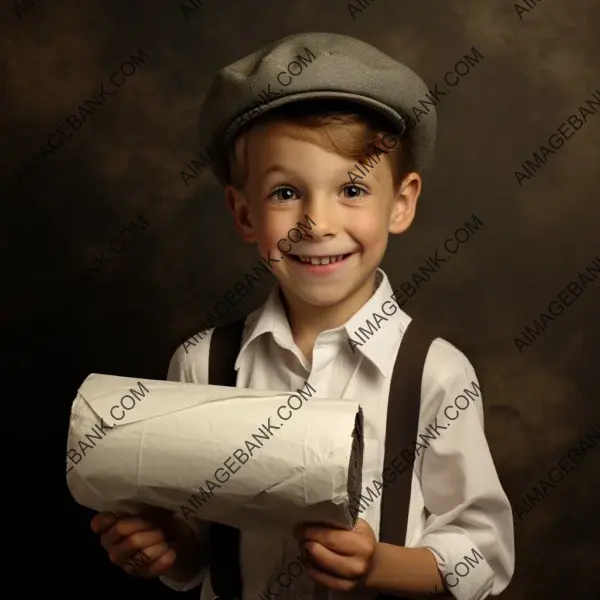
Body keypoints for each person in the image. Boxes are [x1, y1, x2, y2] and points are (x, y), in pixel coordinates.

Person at [91, 32, 515, 599]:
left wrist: (378, 566)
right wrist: (166, 545)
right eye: (286, 192)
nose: (317, 222)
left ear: (402, 203)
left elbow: (483, 550)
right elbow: (200, 555)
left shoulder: (434, 373)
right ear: (244, 214)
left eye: (353, 188)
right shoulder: (202, 364)